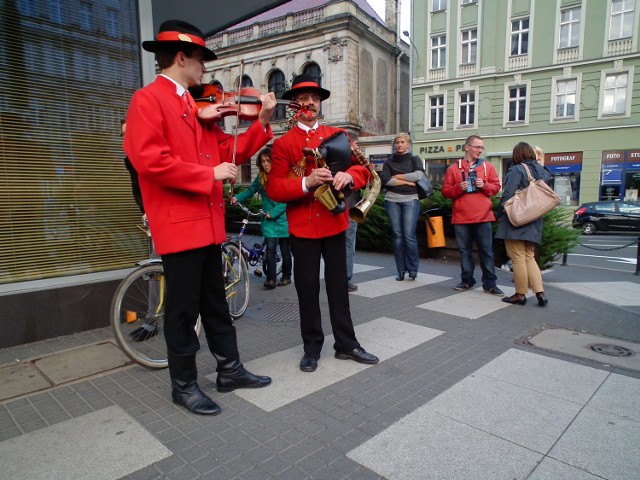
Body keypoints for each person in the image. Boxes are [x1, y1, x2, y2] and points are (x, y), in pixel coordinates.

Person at [124, 20, 275, 415]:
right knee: (181, 311)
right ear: (180, 58)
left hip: (206, 226)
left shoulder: (194, 107)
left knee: (215, 304)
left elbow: (231, 150)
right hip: (179, 227)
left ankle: (229, 369)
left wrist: (260, 124)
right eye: (200, 60)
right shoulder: (147, 100)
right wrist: (205, 175)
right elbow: (149, 161)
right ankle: (184, 385)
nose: (205, 68)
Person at [266, 75, 379, 373]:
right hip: (302, 227)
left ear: (319, 103)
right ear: (295, 105)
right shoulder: (283, 144)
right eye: (304, 98)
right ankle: (312, 347)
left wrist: (350, 176)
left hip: (335, 222)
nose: (310, 102)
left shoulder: (338, 134)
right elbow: (275, 189)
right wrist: (306, 181)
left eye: (314, 98)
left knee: (338, 288)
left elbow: (363, 169)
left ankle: (346, 344)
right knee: (306, 290)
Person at [442, 135, 504, 296]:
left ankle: (490, 283)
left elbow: (496, 188)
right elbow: (445, 192)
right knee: (465, 252)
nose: (480, 150)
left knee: (486, 251)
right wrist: (458, 188)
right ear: (467, 147)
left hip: (483, 217)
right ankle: (467, 280)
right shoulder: (453, 169)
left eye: (481, 147)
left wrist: (484, 185)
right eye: (477, 147)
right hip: (461, 217)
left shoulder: (488, 167)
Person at [496, 142, 551, 306]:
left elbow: (508, 193)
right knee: (529, 257)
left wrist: (499, 212)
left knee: (517, 257)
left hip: (517, 218)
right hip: (535, 218)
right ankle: (540, 293)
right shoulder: (542, 170)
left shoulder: (517, 169)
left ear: (517, 155)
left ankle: (520, 294)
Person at [232, 147, 292, 290]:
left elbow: (288, 199)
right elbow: (251, 190)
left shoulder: (283, 175)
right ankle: (271, 279)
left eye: (268, 161)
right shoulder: (261, 178)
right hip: (267, 219)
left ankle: (286, 276)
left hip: (283, 218)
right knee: (270, 249)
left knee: (285, 250)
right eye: (263, 161)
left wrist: (274, 212)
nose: (266, 164)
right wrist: (236, 198)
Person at [121, 120, 160, 342]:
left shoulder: (152, 152)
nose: (126, 138)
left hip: (172, 213)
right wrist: (145, 210)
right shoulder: (130, 160)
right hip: (155, 215)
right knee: (157, 266)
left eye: (130, 132)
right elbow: (137, 189)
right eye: (122, 135)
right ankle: (153, 319)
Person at [380, 133, 423, 281]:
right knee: (397, 237)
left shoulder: (414, 159)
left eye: (402, 142)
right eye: (397, 142)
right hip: (392, 200)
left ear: (408, 144)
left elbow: (418, 176)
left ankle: (413, 269)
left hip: (411, 199)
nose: (399, 144)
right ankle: (400, 270)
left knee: (409, 236)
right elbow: (385, 181)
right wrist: (406, 181)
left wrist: (397, 177)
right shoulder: (388, 162)